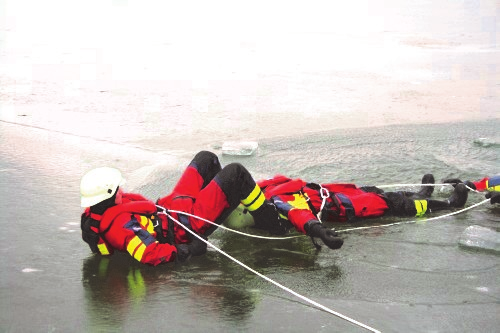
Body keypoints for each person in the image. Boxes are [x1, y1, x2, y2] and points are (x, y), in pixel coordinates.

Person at [80, 151, 344, 266]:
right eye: (118, 190)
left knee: (207, 159)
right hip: (186, 226)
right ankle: (269, 222)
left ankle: (227, 201)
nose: (123, 192)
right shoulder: (120, 228)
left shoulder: (101, 211)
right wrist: (187, 250)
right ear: (108, 195)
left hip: (172, 208)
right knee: (236, 173)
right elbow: (151, 254)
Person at [229, 172, 470, 241]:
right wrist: (317, 230)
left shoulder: (260, 190)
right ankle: (449, 203)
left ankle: (422, 193)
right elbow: (296, 214)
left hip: (333, 193)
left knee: (375, 192)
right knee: (393, 204)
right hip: (339, 207)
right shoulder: (272, 204)